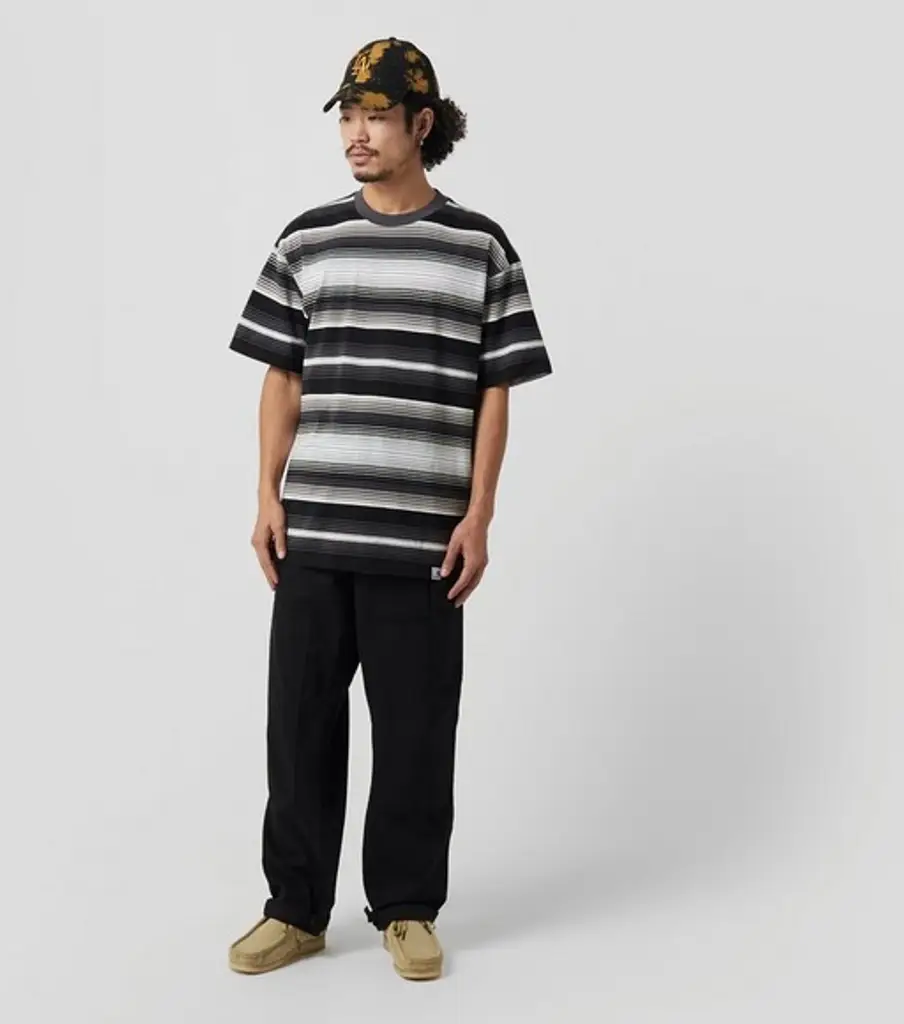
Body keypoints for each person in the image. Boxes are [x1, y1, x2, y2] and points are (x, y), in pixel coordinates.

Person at [226, 36, 552, 981]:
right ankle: (295, 910)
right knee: (300, 729)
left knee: (415, 732)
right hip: (316, 533)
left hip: (422, 544)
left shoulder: (480, 246)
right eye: (347, 115)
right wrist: (265, 495)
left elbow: (496, 389)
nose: (355, 134)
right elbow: (283, 376)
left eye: (375, 115)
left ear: (422, 124)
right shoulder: (307, 239)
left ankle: (407, 909)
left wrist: (480, 514)